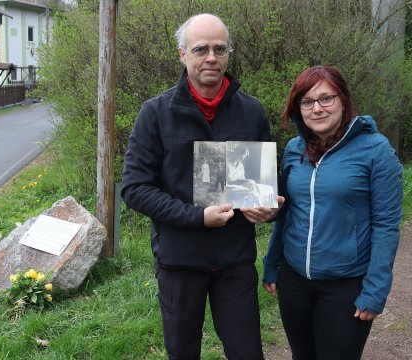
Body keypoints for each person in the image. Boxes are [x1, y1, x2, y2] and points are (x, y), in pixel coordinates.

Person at [122, 13, 283, 360]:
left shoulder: (252, 112)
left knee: (248, 354)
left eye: (219, 48)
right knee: (183, 353)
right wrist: (197, 217)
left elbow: (265, 185)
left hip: (235, 262)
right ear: (183, 54)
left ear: (228, 53)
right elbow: (134, 188)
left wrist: (269, 209)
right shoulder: (155, 113)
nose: (211, 57)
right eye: (201, 49)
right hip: (180, 261)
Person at [262, 65, 403, 360]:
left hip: (346, 285)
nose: (317, 108)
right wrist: (272, 262)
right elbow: (287, 212)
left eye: (327, 98)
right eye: (307, 101)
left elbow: (386, 224)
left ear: (344, 100)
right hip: (294, 281)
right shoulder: (293, 149)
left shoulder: (376, 150)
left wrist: (376, 289)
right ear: (298, 107)